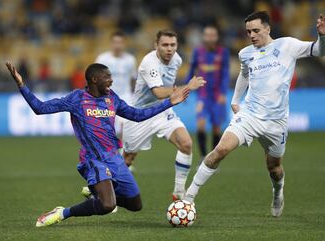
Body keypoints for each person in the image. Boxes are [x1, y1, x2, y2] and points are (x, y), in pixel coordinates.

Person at [5, 61, 190, 227]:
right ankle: (62, 212)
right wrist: (22, 85)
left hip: (114, 158)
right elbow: (40, 108)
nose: (111, 81)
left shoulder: (112, 98)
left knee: (135, 204)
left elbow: (137, 115)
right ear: (94, 79)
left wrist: (170, 102)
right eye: (107, 77)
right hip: (93, 159)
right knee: (108, 205)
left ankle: (98, 192)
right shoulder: (77, 99)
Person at [184, 11, 325, 217]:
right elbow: (244, 75)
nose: (252, 35)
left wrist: (322, 35)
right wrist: (235, 101)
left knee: (274, 167)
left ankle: (278, 192)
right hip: (249, 114)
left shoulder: (288, 45)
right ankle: (188, 198)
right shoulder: (245, 53)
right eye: (249, 31)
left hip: (276, 122)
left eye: (256, 30)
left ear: (268, 29)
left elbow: (320, 51)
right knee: (220, 150)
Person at [122, 30, 206, 200]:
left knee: (186, 144)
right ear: (156, 45)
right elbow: (159, 92)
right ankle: (104, 192)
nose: (169, 49)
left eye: (173, 45)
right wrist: (187, 87)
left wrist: (178, 92)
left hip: (162, 110)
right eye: (165, 45)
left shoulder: (177, 60)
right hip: (140, 114)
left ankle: (178, 192)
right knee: (127, 159)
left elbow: (166, 94)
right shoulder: (149, 63)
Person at [185, 24, 230, 166]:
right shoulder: (198, 52)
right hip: (202, 95)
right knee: (201, 125)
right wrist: (186, 89)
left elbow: (225, 73)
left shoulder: (223, 52)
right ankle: (203, 156)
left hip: (217, 95)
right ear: (204, 37)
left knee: (217, 127)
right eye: (207, 35)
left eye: (213, 35)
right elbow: (192, 70)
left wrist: (223, 92)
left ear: (216, 37)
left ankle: (213, 158)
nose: (210, 38)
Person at [95, 31, 137, 138]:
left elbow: (133, 79)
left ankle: (122, 153)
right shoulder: (102, 59)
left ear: (124, 44)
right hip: (106, 97)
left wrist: (134, 96)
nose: (117, 45)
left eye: (120, 42)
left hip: (125, 96)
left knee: (126, 126)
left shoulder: (130, 60)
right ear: (111, 43)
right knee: (105, 128)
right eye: (115, 42)